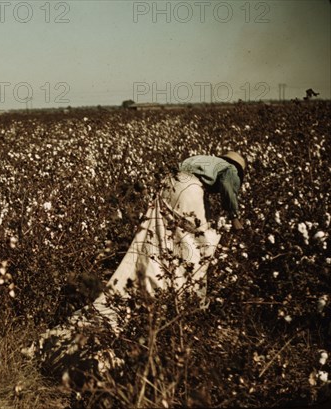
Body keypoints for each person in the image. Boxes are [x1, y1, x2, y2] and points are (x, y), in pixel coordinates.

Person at [31, 151, 247, 376]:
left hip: (167, 187)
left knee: (158, 243)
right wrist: (235, 219)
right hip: (188, 192)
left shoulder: (202, 160)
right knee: (199, 247)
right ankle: (183, 301)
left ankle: (161, 286)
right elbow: (228, 186)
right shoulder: (229, 168)